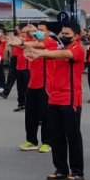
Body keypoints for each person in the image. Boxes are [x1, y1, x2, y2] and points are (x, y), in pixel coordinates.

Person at [28, 23, 85, 180]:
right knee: (56, 137)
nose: (62, 35)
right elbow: (51, 53)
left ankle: (77, 172)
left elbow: (64, 54)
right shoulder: (59, 49)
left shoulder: (78, 49)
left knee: (73, 137)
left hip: (70, 99)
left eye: (67, 33)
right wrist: (32, 50)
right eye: (62, 32)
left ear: (76, 36)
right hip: (54, 98)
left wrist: (40, 53)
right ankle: (61, 170)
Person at [16, 24, 53, 152]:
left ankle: (47, 142)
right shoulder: (34, 42)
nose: (38, 32)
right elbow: (26, 44)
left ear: (48, 32)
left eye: (41, 30)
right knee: (30, 114)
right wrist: (19, 41)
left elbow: (37, 45)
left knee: (46, 115)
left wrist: (22, 42)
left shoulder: (51, 42)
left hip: (46, 84)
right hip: (33, 83)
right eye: (38, 30)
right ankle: (31, 141)